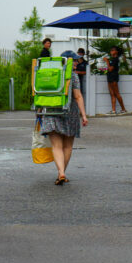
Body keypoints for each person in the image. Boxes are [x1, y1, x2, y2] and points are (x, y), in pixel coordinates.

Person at [40, 50, 89, 185]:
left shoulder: (49, 73)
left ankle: (61, 173)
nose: (76, 64)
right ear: (68, 61)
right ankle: (61, 173)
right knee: (67, 147)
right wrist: (83, 115)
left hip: (50, 112)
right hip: (69, 113)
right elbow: (78, 96)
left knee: (56, 146)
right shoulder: (72, 76)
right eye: (74, 61)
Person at [104, 45, 127, 114]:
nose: (111, 51)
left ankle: (123, 109)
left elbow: (110, 69)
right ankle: (113, 110)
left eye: (113, 50)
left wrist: (107, 61)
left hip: (113, 77)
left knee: (116, 93)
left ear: (116, 52)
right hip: (110, 77)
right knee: (112, 94)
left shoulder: (115, 59)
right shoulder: (113, 59)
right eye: (111, 50)